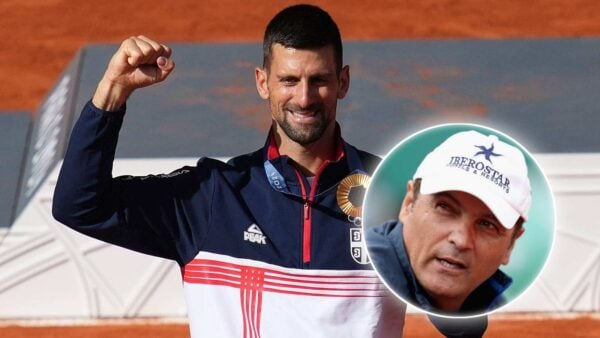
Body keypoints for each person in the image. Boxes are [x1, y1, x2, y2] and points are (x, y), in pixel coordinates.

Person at [52, 4, 485, 337]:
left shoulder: (395, 196)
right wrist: (113, 91)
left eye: (319, 79)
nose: (304, 97)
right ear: (263, 83)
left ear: (343, 82)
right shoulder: (212, 197)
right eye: (289, 80)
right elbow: (79, 206)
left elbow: (464, 326)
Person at [365, 130, 531, 317]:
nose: (461, 240)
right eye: (444, 207)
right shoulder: (362, 277)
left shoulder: (492, 305)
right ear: (409, 203)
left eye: (487, 224)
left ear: (511, 245)